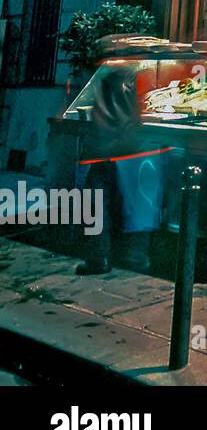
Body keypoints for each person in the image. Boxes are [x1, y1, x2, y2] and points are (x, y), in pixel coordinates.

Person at [77, 66, 163, 275]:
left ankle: (99, 258)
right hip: (135, 149)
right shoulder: (135, 77)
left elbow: (103, 118)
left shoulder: (111, 77)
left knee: (95, 203)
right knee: (139, 202)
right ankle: (137, 256)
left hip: (108, 150)